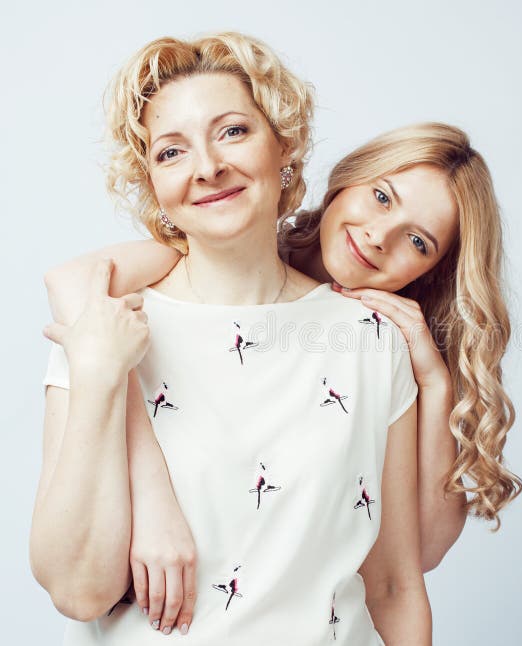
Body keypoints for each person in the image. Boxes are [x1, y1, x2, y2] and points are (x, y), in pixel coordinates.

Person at [31, 32, 430, 644]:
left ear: (284, 145)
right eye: (171, 152)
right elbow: (78, 589)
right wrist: (147, 480)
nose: (207, 167)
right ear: (155, 188)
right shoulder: (103, 329)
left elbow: (395, 586)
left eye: (234, 132)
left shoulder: (371, 342)